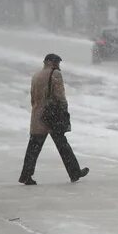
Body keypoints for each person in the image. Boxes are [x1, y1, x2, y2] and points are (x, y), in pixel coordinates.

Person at [18, 53, 90, 185]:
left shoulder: (36, 75)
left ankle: (26, 176)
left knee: (33, 148)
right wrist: (64, 110)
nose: (58, 65)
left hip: (37, 116)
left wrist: (38, 110)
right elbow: (60, 95)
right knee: (63, 146)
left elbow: (33, 97)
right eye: (57, 63)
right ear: (52, 63)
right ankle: (74, 172)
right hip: (52, 116)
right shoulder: (55, 74)